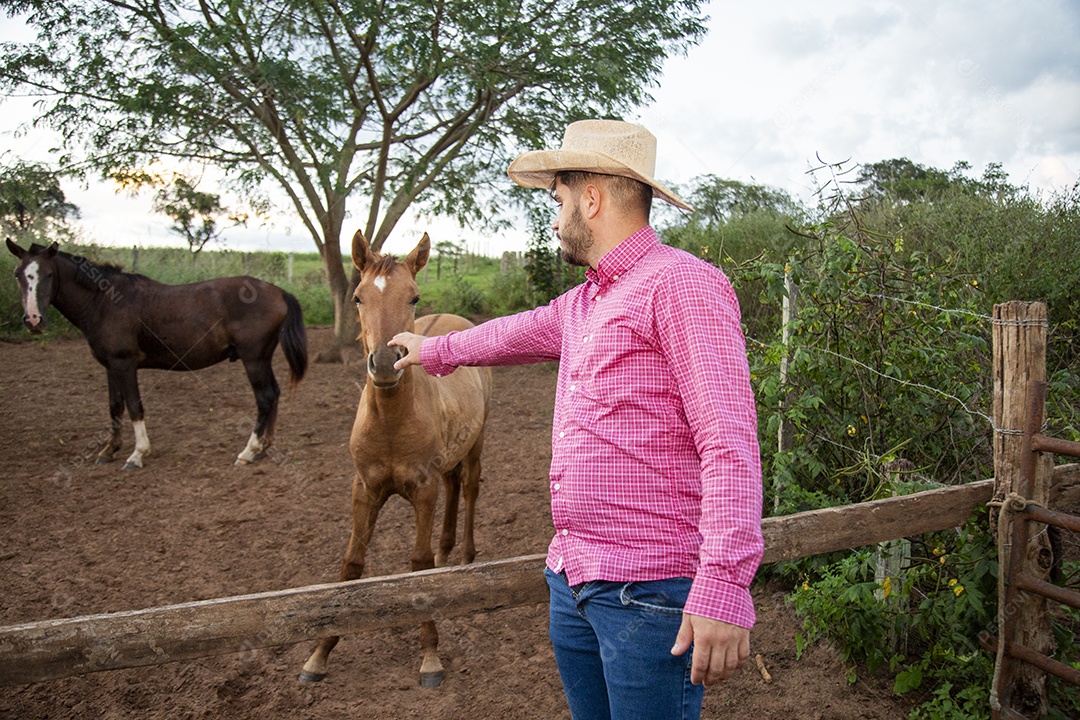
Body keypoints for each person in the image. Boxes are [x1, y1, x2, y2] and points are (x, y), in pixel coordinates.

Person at [391, 119, 763, 720]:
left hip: (648, 591)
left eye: (559, 200)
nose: (556, 215)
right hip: (573, 575)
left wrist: (723, 584)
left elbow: (729, 443)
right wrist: (432, 348)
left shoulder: (683, 286)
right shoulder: (588, 299)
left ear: (591, 199)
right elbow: (514, 332)